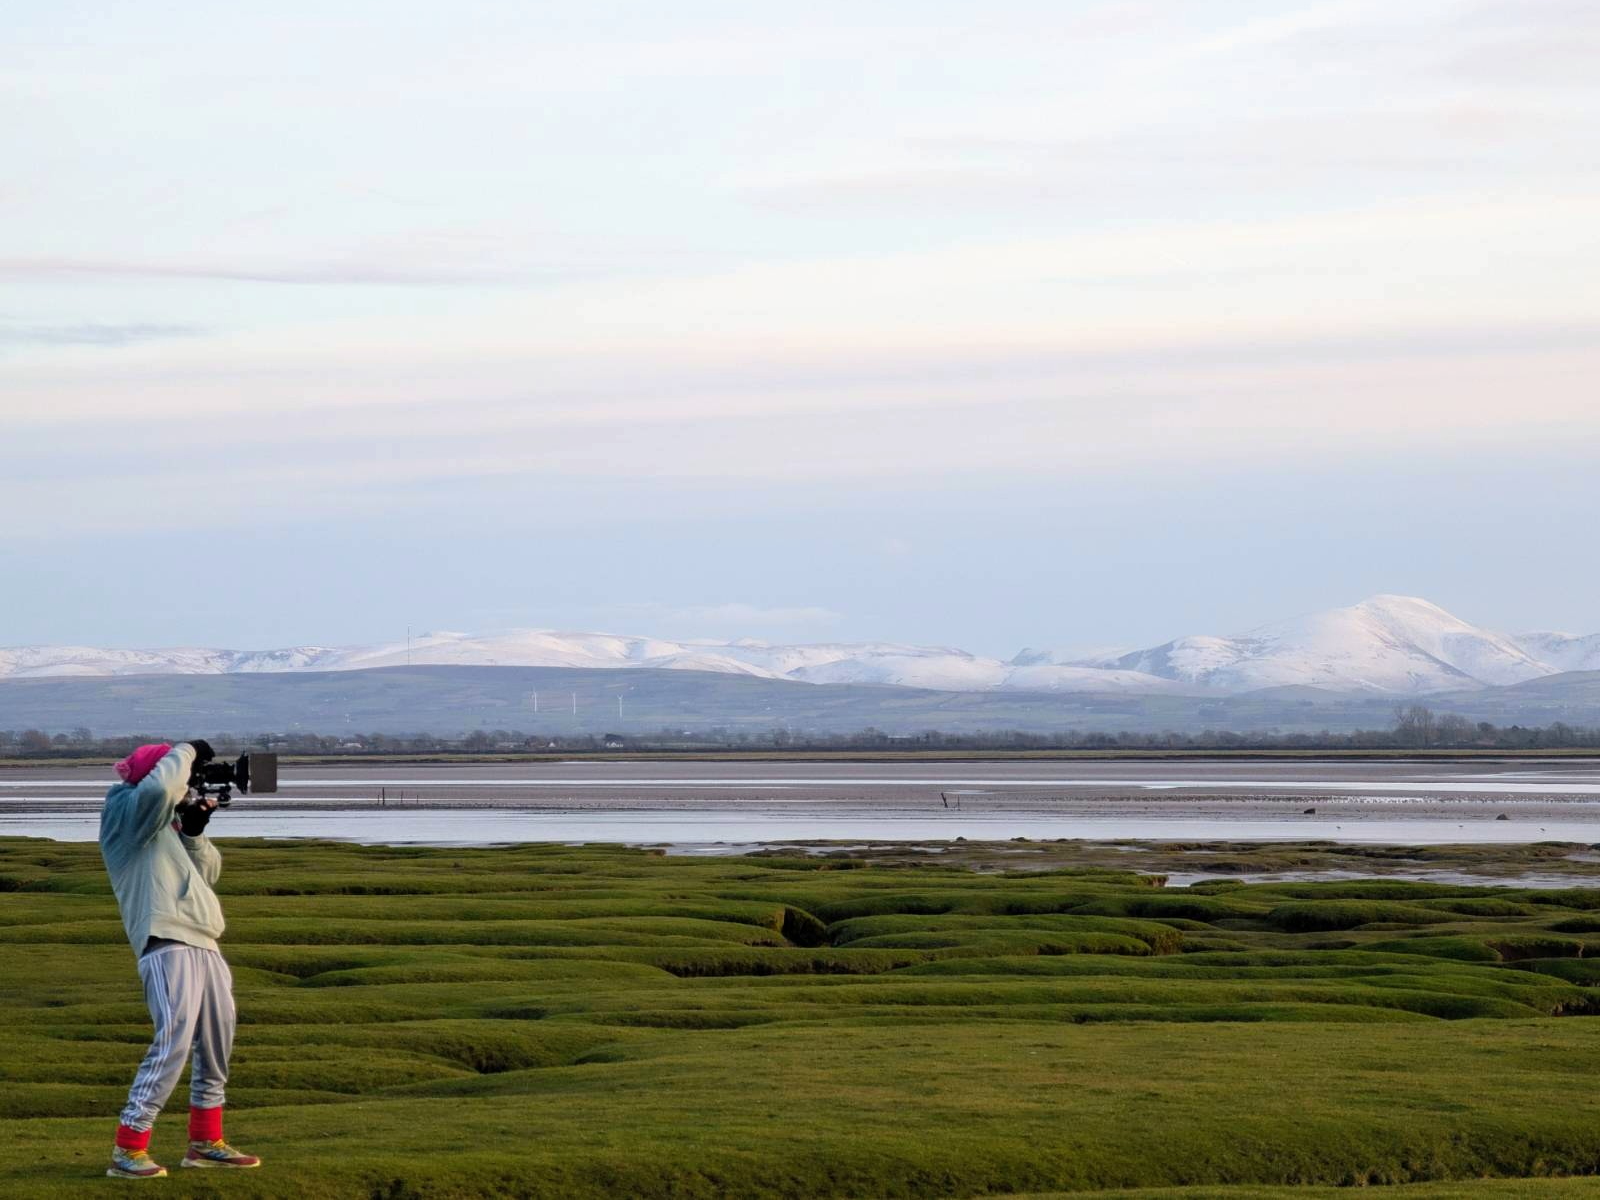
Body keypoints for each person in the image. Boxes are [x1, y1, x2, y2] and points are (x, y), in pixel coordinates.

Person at [99, 739, 261, 1179]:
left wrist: (192, 833)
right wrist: (185, 749)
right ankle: (129, 1147)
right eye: (182, 776)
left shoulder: (164, 825)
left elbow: (207, 876)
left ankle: (206, 1142)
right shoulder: (124, 812)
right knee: (172, 1041)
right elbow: (156, 790)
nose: (187, 784)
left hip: (204, 940)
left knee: (216, 1044)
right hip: (165, 941)